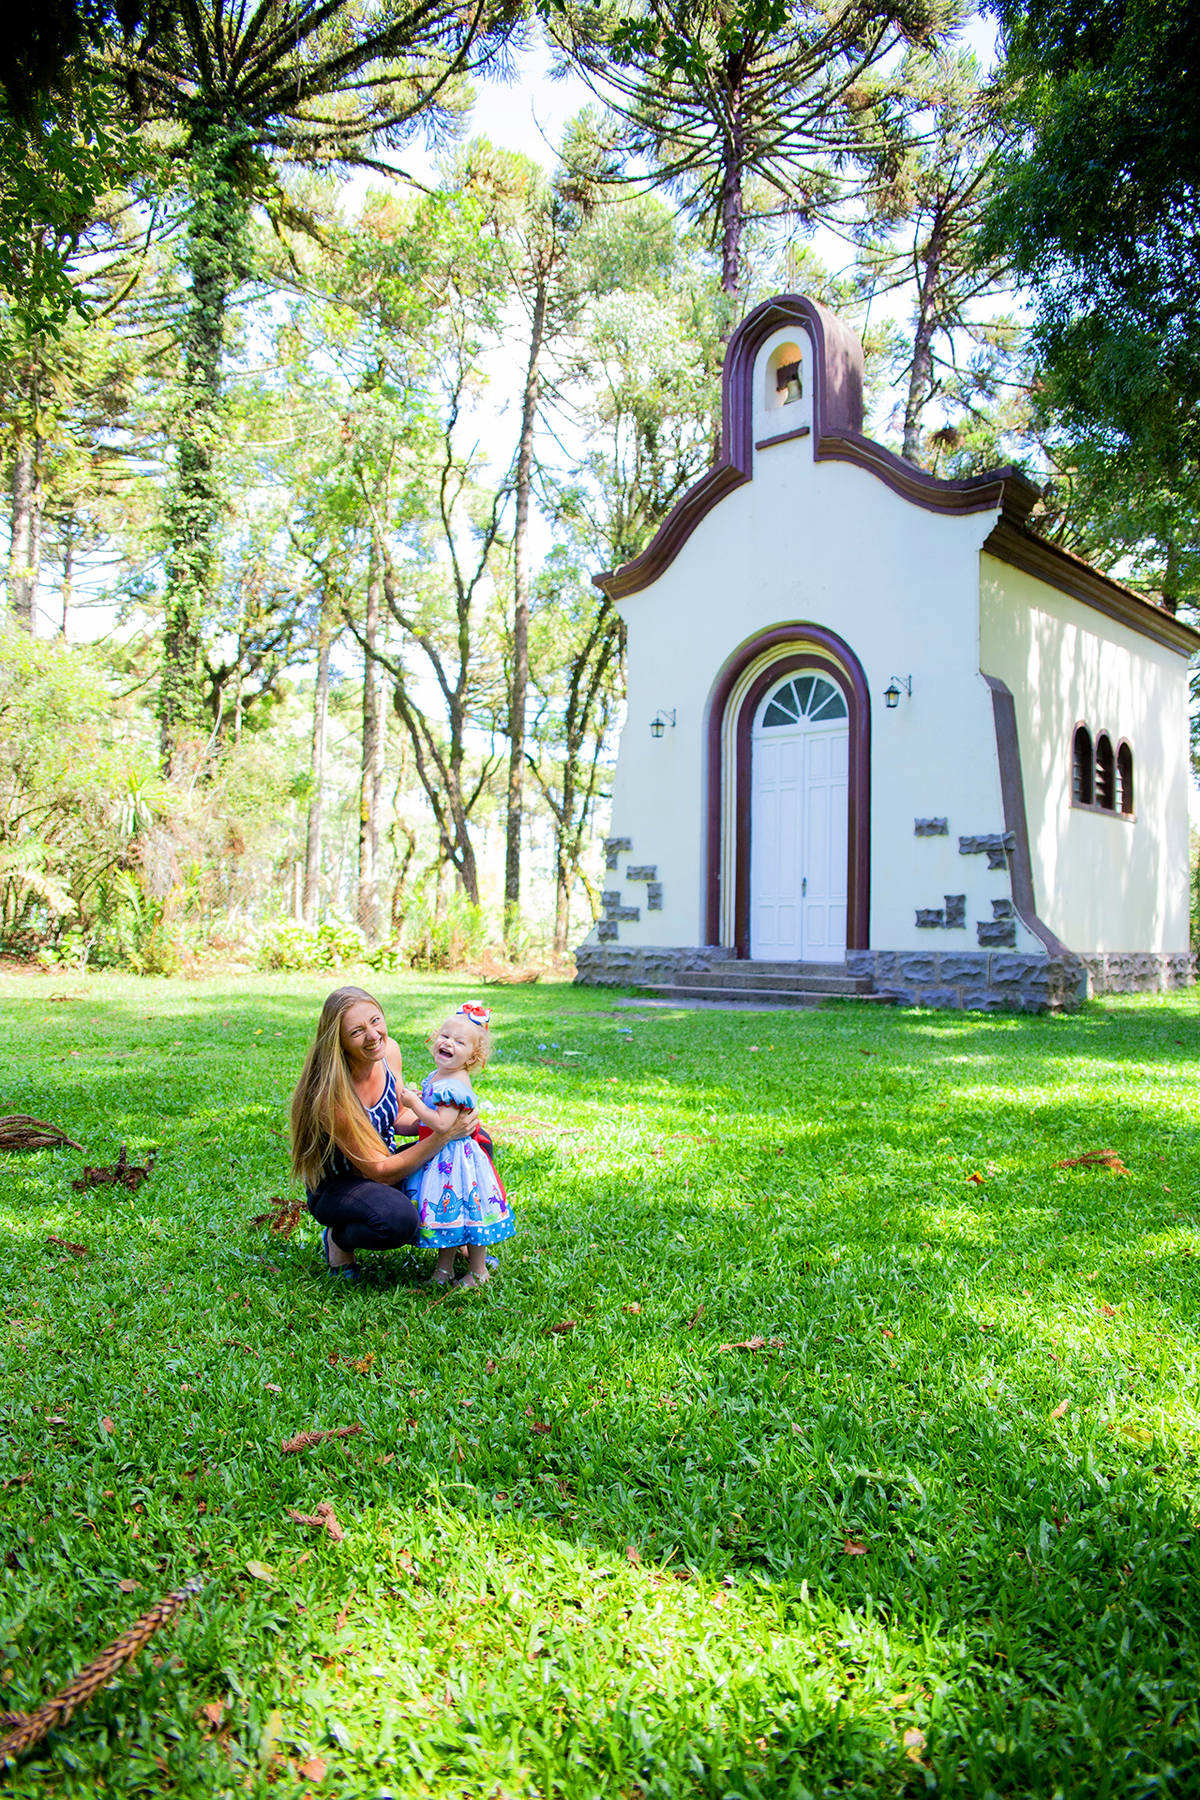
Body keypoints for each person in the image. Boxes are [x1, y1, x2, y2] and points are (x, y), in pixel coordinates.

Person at [290, 985, 481, 1282]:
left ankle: (460, 1233)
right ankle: (338, 1239)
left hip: (385, 1164)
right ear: (338, 1042)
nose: (373, 1035)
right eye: (356, 1032)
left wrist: (446, 1120)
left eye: (375, 1020)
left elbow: (397, 1117)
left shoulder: (388, 1052)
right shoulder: (332, 1095)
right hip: (340, 1186)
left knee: (472, 1150)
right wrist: (442, 1135)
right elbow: (380, 1172)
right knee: (397, 1220)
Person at [400, 1002, 515, 1289]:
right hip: (443, 1159)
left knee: (470, 1216)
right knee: (448, 1219)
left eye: (459, 1042)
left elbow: (442, 1124)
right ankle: (444, 1270)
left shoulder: (455, 1085)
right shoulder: (440, 1077)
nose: (448, 1043)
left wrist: (414, 1103)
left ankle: (478, 1271)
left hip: (457, 1161)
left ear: (472, 1057)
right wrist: (421, 1096)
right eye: (445, 1036)